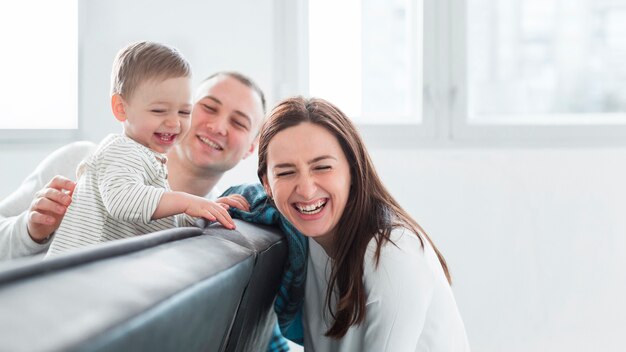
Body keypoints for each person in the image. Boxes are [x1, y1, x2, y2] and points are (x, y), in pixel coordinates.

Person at [257, 97, 470, 351]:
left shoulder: (391, 254)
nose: (305, 189)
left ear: (353, 171)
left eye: (322, 167)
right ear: (267, 183)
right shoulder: (305, 242)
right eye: (285, 172)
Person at [0, 69, 265, 260]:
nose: (217, 127)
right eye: (208, 107)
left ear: (250, 149)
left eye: (239, 122)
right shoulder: (81, 160)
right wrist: (30, 230)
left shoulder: (213, 222)